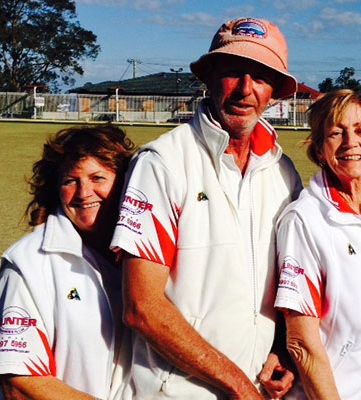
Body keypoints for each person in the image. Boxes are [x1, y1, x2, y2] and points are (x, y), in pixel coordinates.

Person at [110, 17, 302, 399]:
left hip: (255, 388)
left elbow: (289, 284)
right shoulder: (163, 162)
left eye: (260, 77)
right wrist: (238, 385)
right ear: (210, 76)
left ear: (274, 91)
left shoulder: (283, 172)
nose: (245, 89)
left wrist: (282, 348)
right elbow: (142, 307)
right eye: (233, 72)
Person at [274, 90, 361, 400]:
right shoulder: (304, 219)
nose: (350, 143)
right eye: (336, 133)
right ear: (319, 149)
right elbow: (301, 343)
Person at [0, 126, 135, 399]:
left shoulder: (146, 257)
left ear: (124, 183)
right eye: (70, 181)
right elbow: (19, 383)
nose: (84, 193)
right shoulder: (27, 263)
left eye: (97, 178)